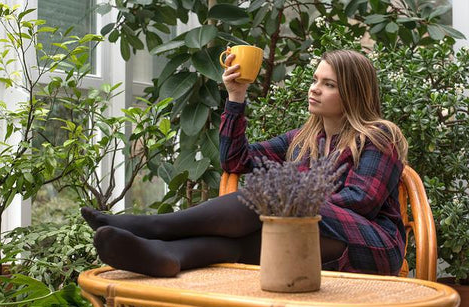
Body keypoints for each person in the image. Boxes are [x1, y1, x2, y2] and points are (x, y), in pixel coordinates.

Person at [81, 49, 408, 277]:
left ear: (353, 92)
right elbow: (236, 160)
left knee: (273, 193)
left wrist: (289, 202)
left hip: (369, 246)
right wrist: (236, 97)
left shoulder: (378, 136)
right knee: (244, 240)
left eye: (329, 84)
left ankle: (155, 228)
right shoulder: (303, 139)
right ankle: (169, 256)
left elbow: (361, 201)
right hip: (301, 241)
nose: (314, 89)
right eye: (315, 80)